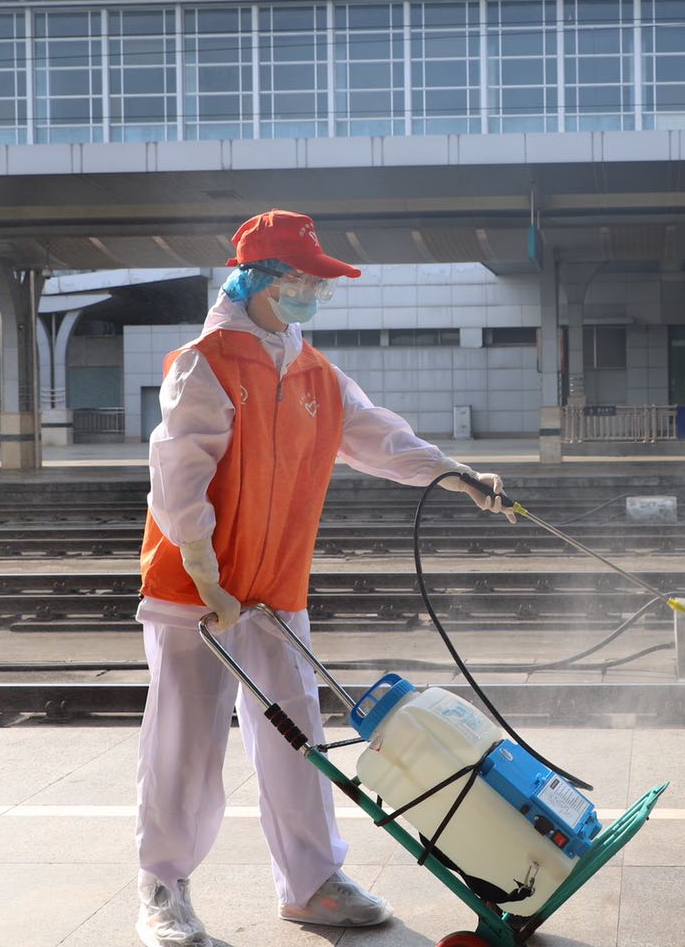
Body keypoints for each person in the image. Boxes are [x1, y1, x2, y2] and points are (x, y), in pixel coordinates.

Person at [134, 208, 513, 947]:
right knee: (184, 745)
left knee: (298, 739)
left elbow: (379, 437)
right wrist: (204, 569)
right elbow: (178, 474)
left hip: (274, 591)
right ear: (261, 280)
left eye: (319, 283)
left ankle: (311, 884)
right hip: (196, 597)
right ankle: (161, 888)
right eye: (304, 280)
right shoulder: (205, 362)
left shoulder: (315, 373)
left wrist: (453, 473)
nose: (313, 292)